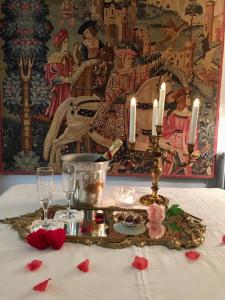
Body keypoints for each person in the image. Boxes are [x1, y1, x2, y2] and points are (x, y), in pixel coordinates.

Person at [89, 46, 167, 147]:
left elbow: (148, 67)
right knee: (117, 137)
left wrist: (162, 58)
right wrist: (125, 97)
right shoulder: (115, 75)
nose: (130, 61)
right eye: (128, 59)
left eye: (131, 59)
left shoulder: (134, 72)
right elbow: (110, 93)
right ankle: (115, 151)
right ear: (122, 60)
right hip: (117, 107)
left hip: (131, 106)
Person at [162, 87, 198, 175]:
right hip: (172, 140)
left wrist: (194, 147)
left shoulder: (190, 115)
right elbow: (167, 128)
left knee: (187, 163)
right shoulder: (173, 113)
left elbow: (193, 132)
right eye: (188, 97)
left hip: (184, 142)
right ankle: (163, 179)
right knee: (168, 162)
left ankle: (188, 182)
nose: (190, 100)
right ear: (182, 99)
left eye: (189, 97)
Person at [71, 20, 105, 96]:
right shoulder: (84, 44)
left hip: (99, 63)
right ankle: (86, 93)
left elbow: (103, 51)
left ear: (92, 31)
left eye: (87, 32)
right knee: (88, 73)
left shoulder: (98, 42)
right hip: (87, 64)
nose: (87, 35)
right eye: (85, 34)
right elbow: (84, 59)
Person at [45, 29, 74, 118]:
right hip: (59, 90)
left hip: (68, 89)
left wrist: (74, 71)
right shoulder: (53, 58)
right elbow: (51, 78)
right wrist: (64, 79)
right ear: (60, 44)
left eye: (67, 42)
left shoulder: (69, 58)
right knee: (58, 114)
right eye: (65, 42)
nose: (67, 45)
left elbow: (72, 71)